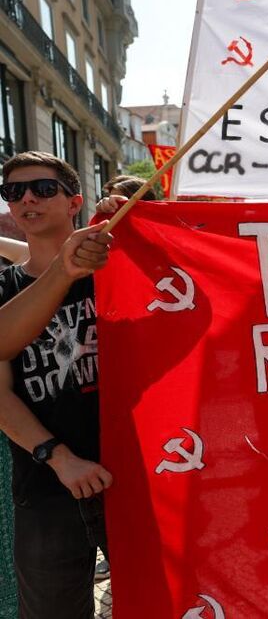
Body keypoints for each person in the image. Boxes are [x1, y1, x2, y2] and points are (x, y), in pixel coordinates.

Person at [0, 151, 113, 618]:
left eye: (44, 189)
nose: (28, 198)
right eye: (14, 192)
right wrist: (58, 458)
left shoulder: (123, 273)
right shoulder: (3, 288)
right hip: (47, 486)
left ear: (74, 202)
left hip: (142, 478)